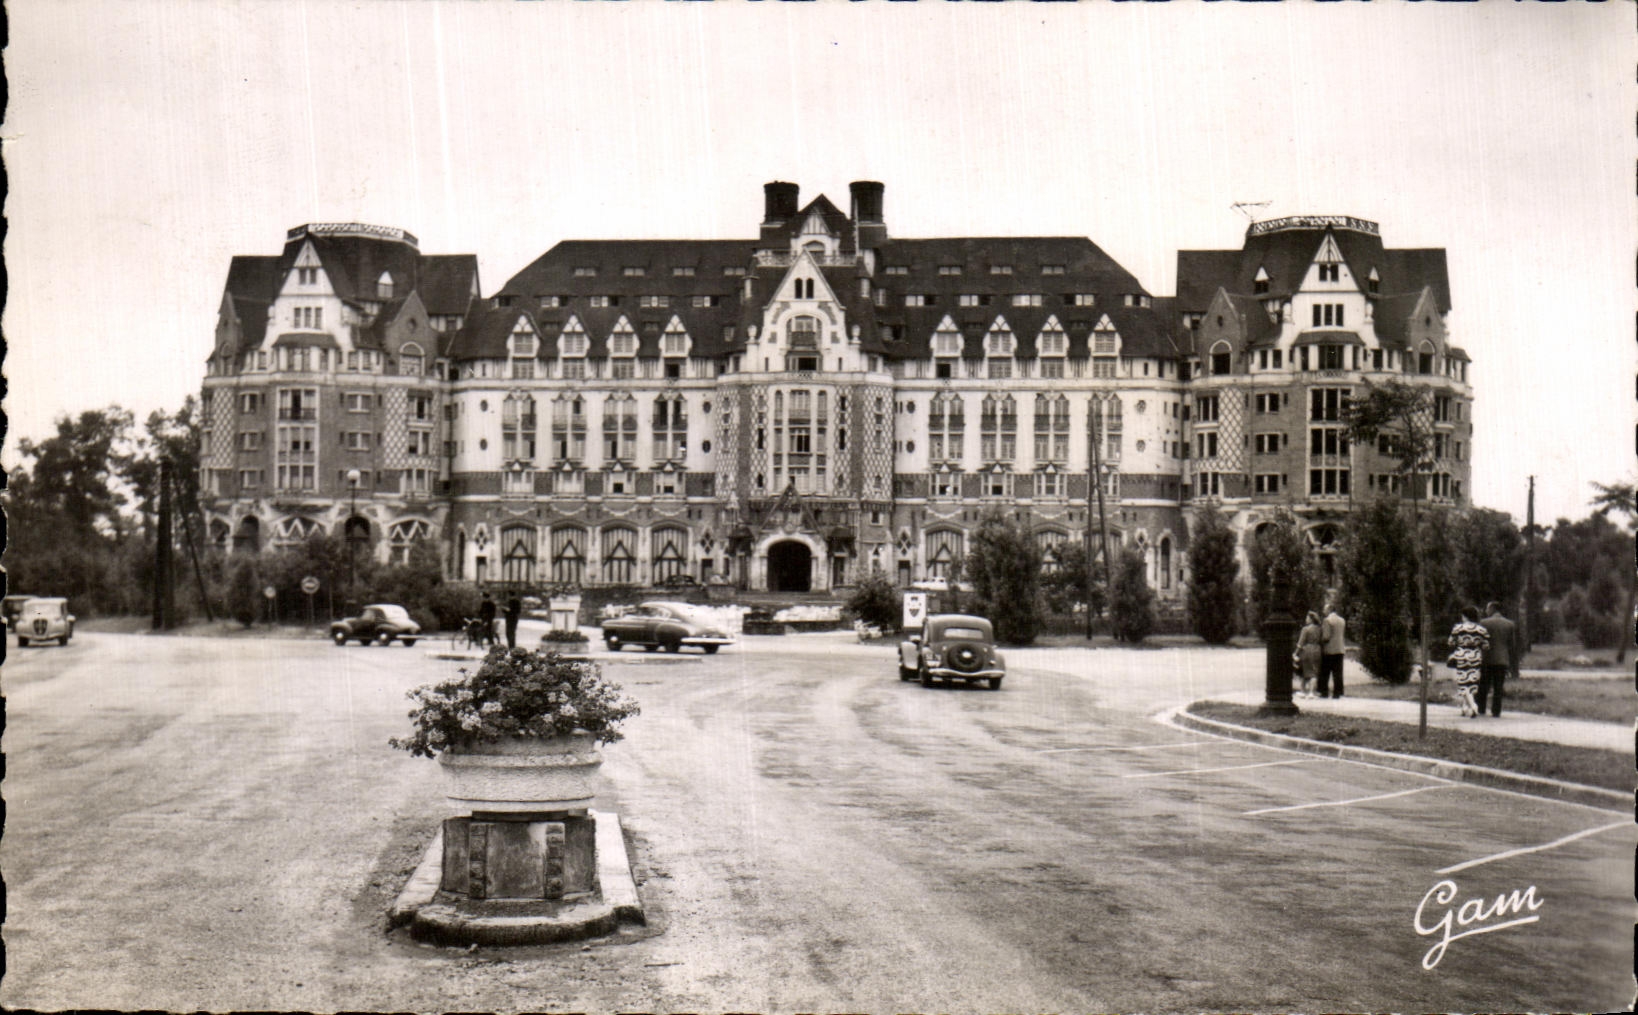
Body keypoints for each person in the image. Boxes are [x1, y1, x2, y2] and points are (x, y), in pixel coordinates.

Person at [1447, 605, 1490, 717]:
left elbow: (1450, 643)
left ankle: (1473, 706)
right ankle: (1464, 707)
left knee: (1463, 682)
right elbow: (1486, 646)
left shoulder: (1458, 628)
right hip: (1475, 656)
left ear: (1464, 616)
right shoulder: (1481, 629)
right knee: (1471, 681)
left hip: (1461, 656)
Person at [1478, 601, 1519, 718]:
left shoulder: (1484, 623)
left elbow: (1480, 641)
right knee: (1498, 687)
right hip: (1502, 660)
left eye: (1487, 609)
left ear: (1492, 609)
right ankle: (1496, 711)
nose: (1486, 611)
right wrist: (1511, 662)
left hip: (1487, 659)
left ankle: (1481, 708)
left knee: (1484, 685)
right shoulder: (1510, 624)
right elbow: (1512, 645)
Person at [1317, 601, 1347, 699]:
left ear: (1329, 609)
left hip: (1329, 650)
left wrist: (1319, 640)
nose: (1323, 611)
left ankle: (1324, 691)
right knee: (1338, 672)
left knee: (1325, 672)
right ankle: (1337, 692)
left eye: (1325, 609)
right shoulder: (1342, 620)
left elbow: (1326, 636)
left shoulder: (1327, 620)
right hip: (1340, 648)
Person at [1294, 611, 1323, 699]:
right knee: (1314, 670)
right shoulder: (1319, 629)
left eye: (1307, 618)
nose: (1306, 620)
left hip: (1307, 649)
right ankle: (1311, 691)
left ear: (1311, 619)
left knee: (1306, 670)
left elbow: (1300, 643)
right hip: (1317, 649)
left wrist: (1295, 653)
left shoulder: (1305, 629)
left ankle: (1305, 691)